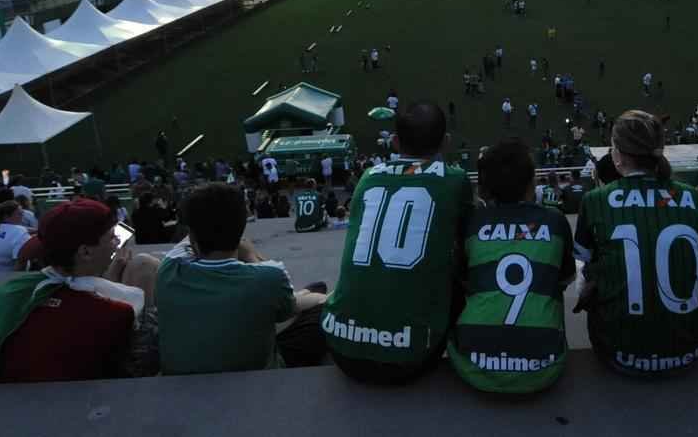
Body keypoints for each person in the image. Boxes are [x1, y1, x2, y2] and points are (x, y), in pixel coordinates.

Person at [323, 102, 474, 385]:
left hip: (343, 347)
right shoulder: (456, 180)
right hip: (412, 355)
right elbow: (469, 242)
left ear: (394, 141)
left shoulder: (368, 178)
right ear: (446, 142)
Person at [574, 110, 698, 377]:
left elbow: (584, 271)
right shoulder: (694, 198)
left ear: (617, 153)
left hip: (620, 354)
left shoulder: (595, 200)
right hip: (690, 350)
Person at [0, 199, 162, 383]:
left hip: (11, 395)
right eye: (112, 238)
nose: (117, 244)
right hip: (80, 403)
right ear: (85, 252)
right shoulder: (116, 313)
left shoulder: (9, 291)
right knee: (145, 266)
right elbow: (144, 364)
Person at [157, 183, 328, 374]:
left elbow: (197, 230)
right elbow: (288, 306)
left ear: (191, 234)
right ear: (241, 228)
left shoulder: (169, 269)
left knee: (309, 291)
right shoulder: (269, 277)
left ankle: (310, 293)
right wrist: (251, 255)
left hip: (180, 378)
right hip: (255, 375)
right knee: (320, 309)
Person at [448, 139, 575, 393]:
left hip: (472, 365)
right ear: (531, 184)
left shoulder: (472, 222)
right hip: (544, 367)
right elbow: (565, 279)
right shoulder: (555, 220)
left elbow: (461, 280)